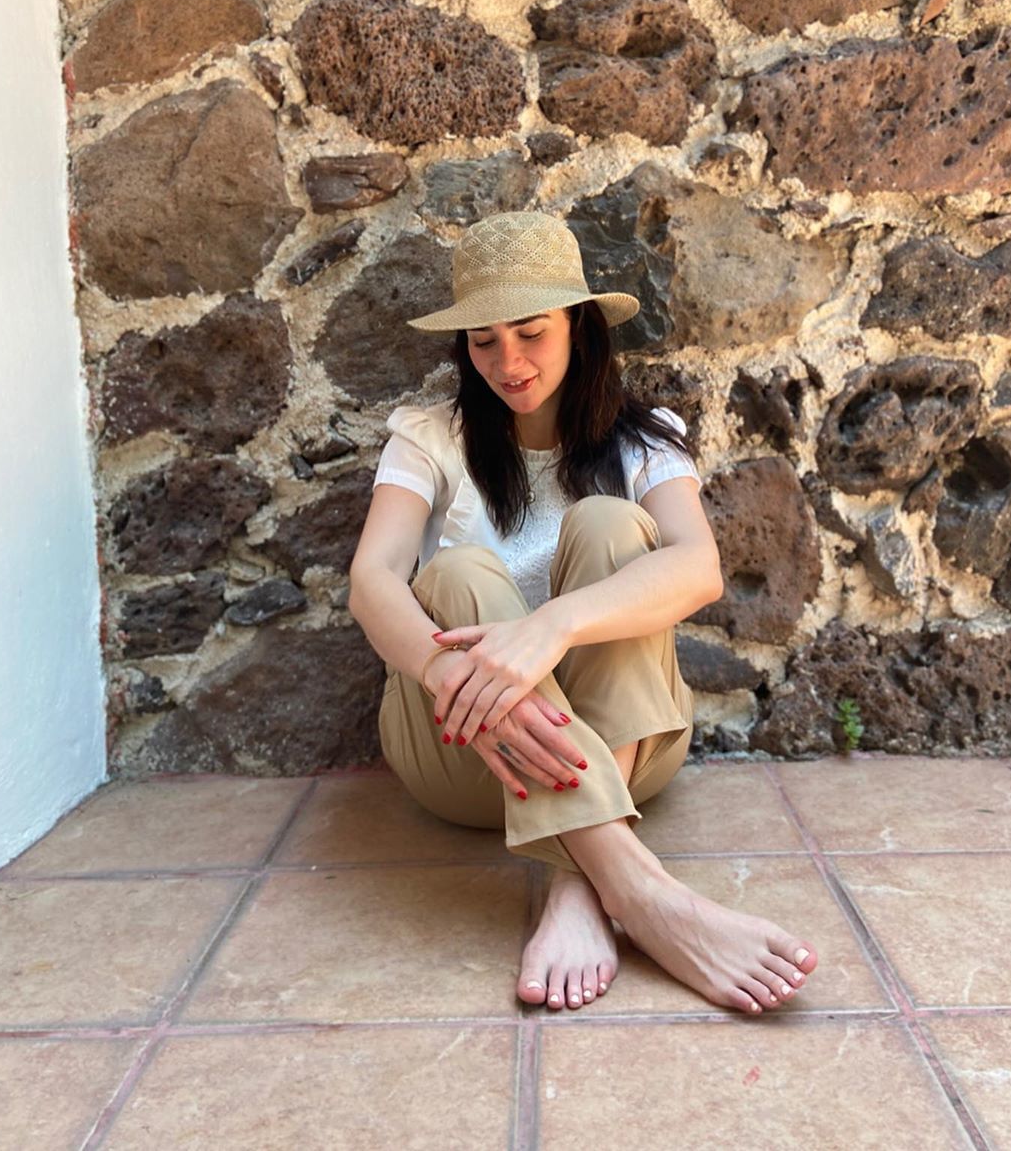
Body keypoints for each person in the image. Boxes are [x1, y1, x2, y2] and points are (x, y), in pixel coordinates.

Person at [348, 211, 817, 1015]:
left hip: (626, 746)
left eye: (531, 332)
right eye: (484, 341)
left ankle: (580, 883)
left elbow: (698, 568)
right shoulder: (428, 438)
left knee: (609, 525)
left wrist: (550, 627)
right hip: (464, 756)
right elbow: (371, 580)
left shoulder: (647, 441)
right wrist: (447, 669)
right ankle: (639, 890)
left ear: (579, 325)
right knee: (455, 575)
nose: (508, 362)